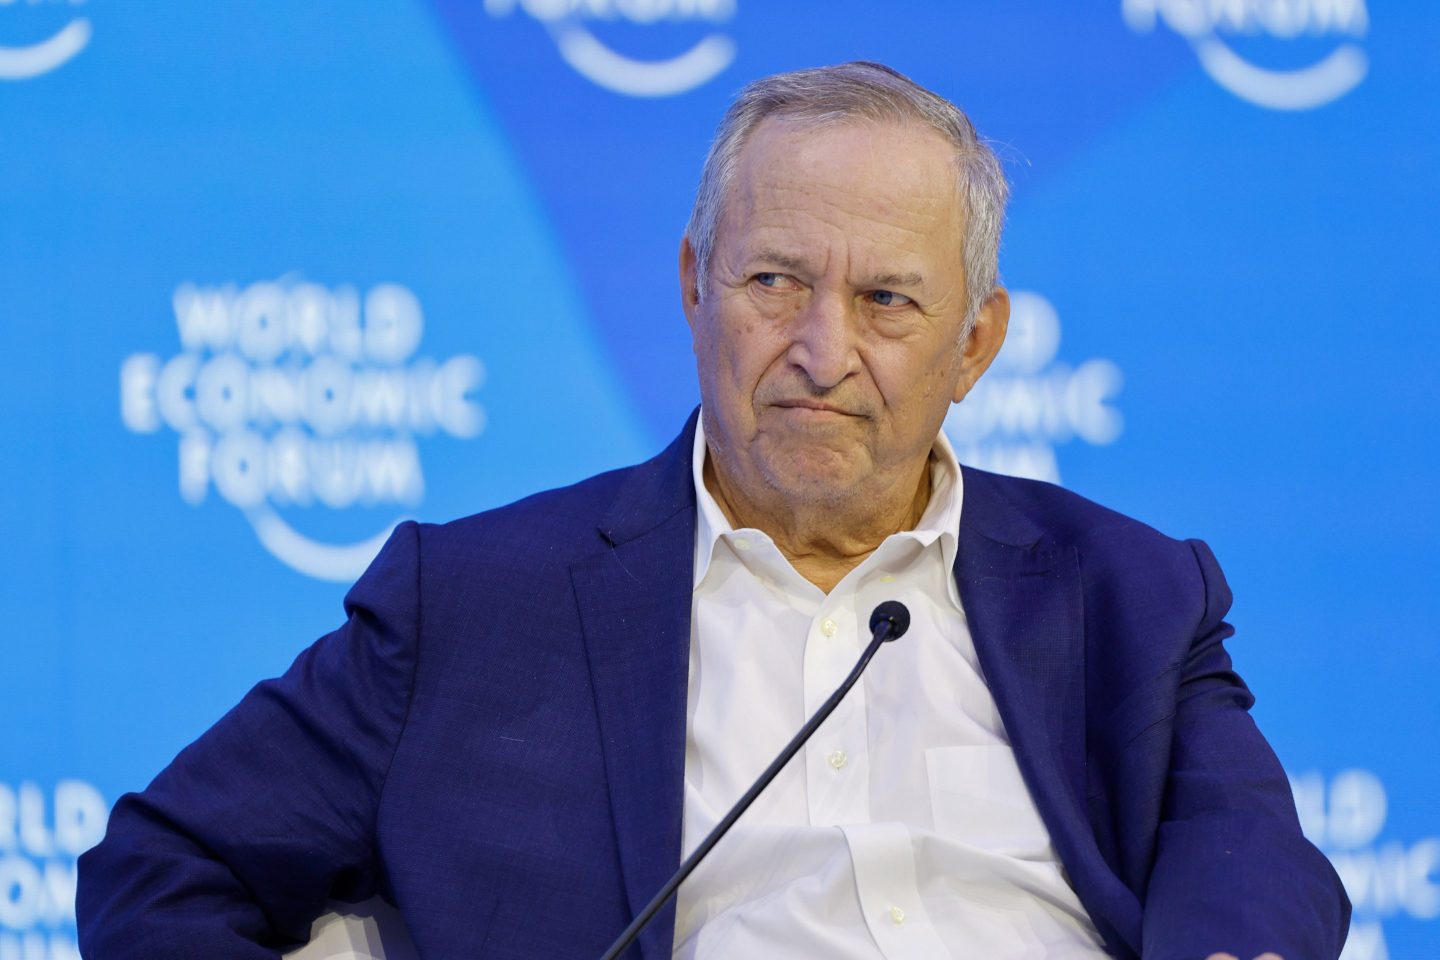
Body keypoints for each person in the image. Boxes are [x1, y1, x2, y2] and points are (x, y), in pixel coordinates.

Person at [76, 62, 1349, 960]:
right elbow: (161, 872)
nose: (820, 352)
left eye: (887, 302)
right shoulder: (473, 602)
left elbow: (1250, 858)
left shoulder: (1130, 593)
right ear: (694, 286)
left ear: (975, 344)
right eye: (774, 281)